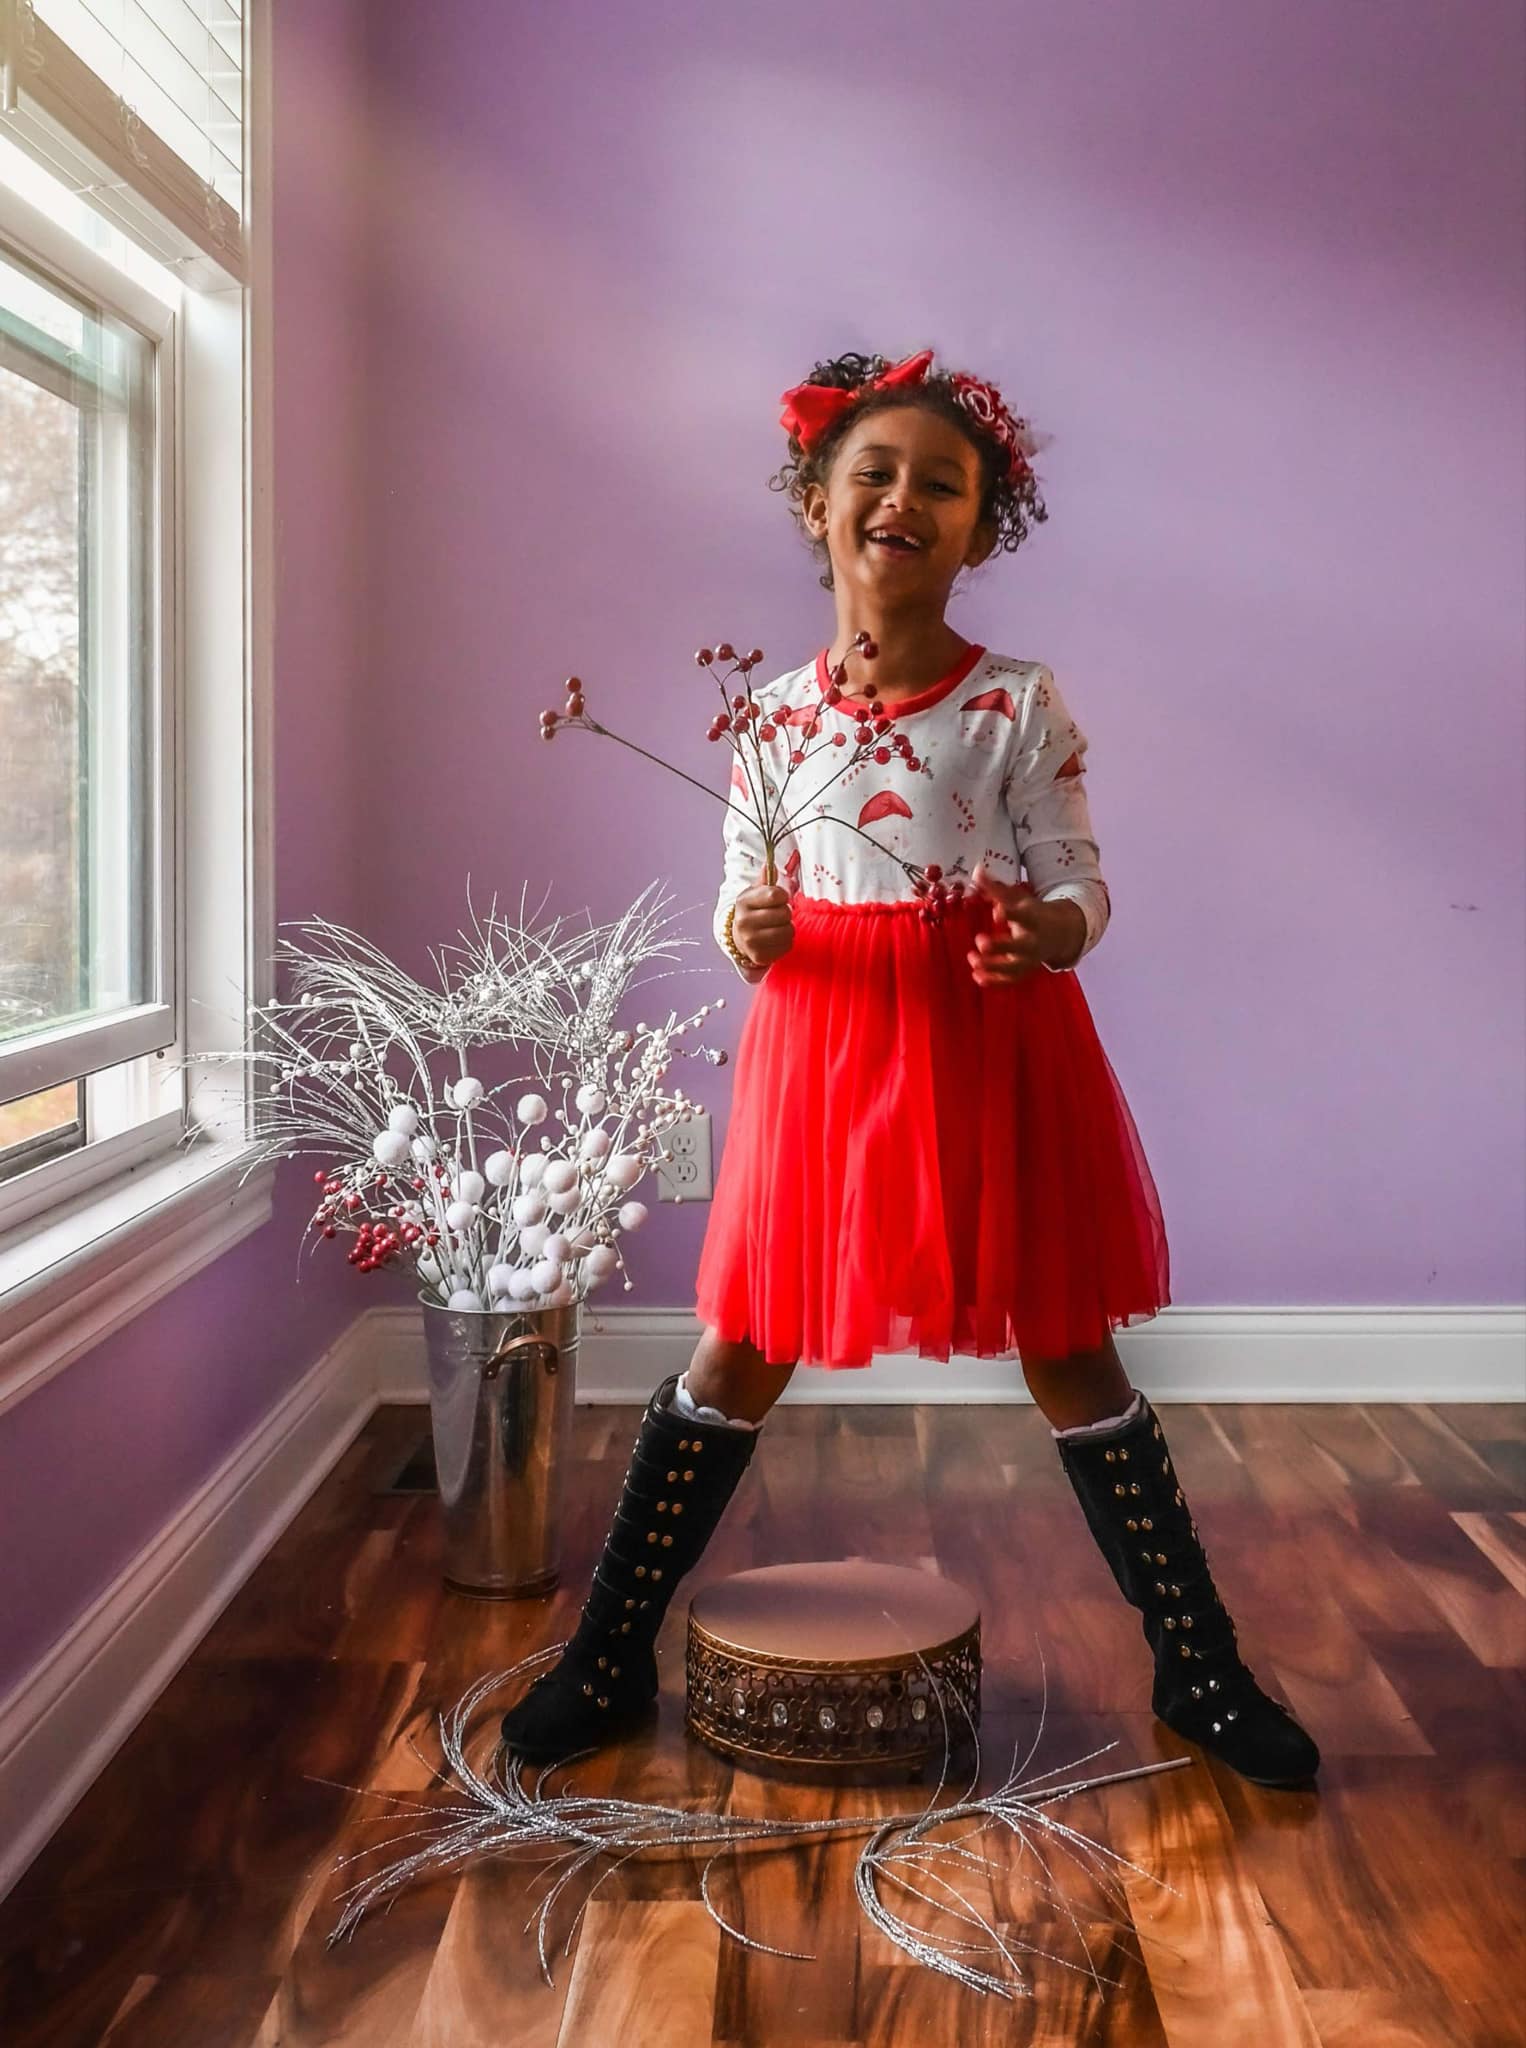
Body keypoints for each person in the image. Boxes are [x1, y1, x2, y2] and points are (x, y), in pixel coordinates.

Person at [503, 348, 1319, 1789]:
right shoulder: (766, 718)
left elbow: (1080, 880)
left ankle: (1200, 1666)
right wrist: (748, 927)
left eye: (941, 485)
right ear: (814, 502)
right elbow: (737, 890)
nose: (903, 498)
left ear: (978, 529)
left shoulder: (1014, 704)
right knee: (746, 1342)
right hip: (823, 1049)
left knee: (1063, 1340)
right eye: (872, 472)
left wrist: (1045, 933)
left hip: (987, 1041)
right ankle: (606, 1652)